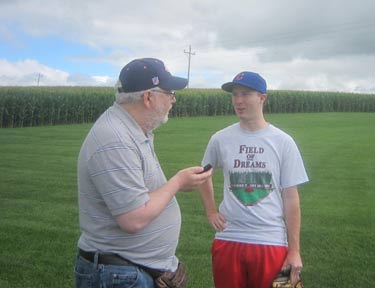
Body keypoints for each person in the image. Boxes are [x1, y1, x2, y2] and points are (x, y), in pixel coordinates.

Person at [74, 57, 212, 288]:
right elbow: (133, 218)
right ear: (148, 97)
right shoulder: (115, 139)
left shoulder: (136, 130)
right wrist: (177, 182)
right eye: (169, 93)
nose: (173, 100)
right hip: (119, 274)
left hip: (131, 271)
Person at [199, 71, 309, 288]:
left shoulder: (283, 142)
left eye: (246, 94)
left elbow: (291, 198)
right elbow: (204, 175)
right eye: (235, 95)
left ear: (262, 97)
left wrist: (294, 251)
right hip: (228, 238)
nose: (238, 101)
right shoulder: (220, 139)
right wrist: (211, 210)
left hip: (271, 241)